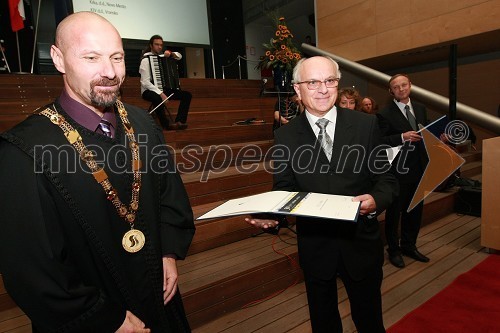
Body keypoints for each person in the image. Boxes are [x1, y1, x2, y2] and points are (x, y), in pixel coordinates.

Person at [0, 12, 195, 332]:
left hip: (159, 296)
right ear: (58, 59)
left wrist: (168, 253)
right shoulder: (24, 150)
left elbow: (169, 196)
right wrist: (104, 318)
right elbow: (30, 267)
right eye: (91, 57)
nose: (109, 72)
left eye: (116, 57)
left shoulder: (145, 125)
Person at [246, 56, 398, 333]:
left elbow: (385, 180)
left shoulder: (366, 125)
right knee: (324, 323)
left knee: (370, 321)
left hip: (360, 244)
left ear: (337, 84)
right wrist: (273, 217)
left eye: (329, 81)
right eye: (313, 82)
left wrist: (377, 200)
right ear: (297, 89)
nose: (323, 89)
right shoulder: (286, 136)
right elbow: (284, 187)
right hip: (316, 247)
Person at [376, 73, 430, 269]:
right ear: (391, 92)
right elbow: (379, 142)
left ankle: (409, 245)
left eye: (404, 85)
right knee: (394, 213)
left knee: (414, 211)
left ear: (410, 86)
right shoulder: (384, 114)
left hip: (420, 168)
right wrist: (401, 136)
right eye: (396, 87)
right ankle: (394, 250)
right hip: (398, 170)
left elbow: (426, 132)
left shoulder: (421, 109)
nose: (401, 89)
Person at [139, 35, 191, 130]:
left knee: (187, 95)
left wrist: (170, 53)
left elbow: (179, 56)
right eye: (156, 44)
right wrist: (161, 93)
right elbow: (144, 82)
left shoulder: (162, 57)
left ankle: (180, 121)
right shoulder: (145, 60)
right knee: (157, 98)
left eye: (161, 45)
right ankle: (166, 125)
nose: (159, 47)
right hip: (148, 91)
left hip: (163, 89)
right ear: (151, 45)